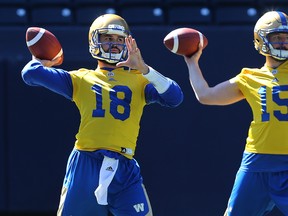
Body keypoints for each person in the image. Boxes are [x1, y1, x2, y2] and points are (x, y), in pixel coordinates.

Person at [21, 14, 183, 216]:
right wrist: (42, 59)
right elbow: (30, 74)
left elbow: (175, 97)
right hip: (86, 163)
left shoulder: (140, 79)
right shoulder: (81, 78)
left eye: (118, 39)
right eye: (107, 38)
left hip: (124, 166)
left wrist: (145, 68)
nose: (114, 44)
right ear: (94, 42)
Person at [184, 11, 288, 216]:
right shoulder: (249, 77)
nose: (284, 43)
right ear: (261, 40)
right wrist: (192, 62)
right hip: (256, 161)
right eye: (278, 38)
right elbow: (206, 95)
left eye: (287, 38)